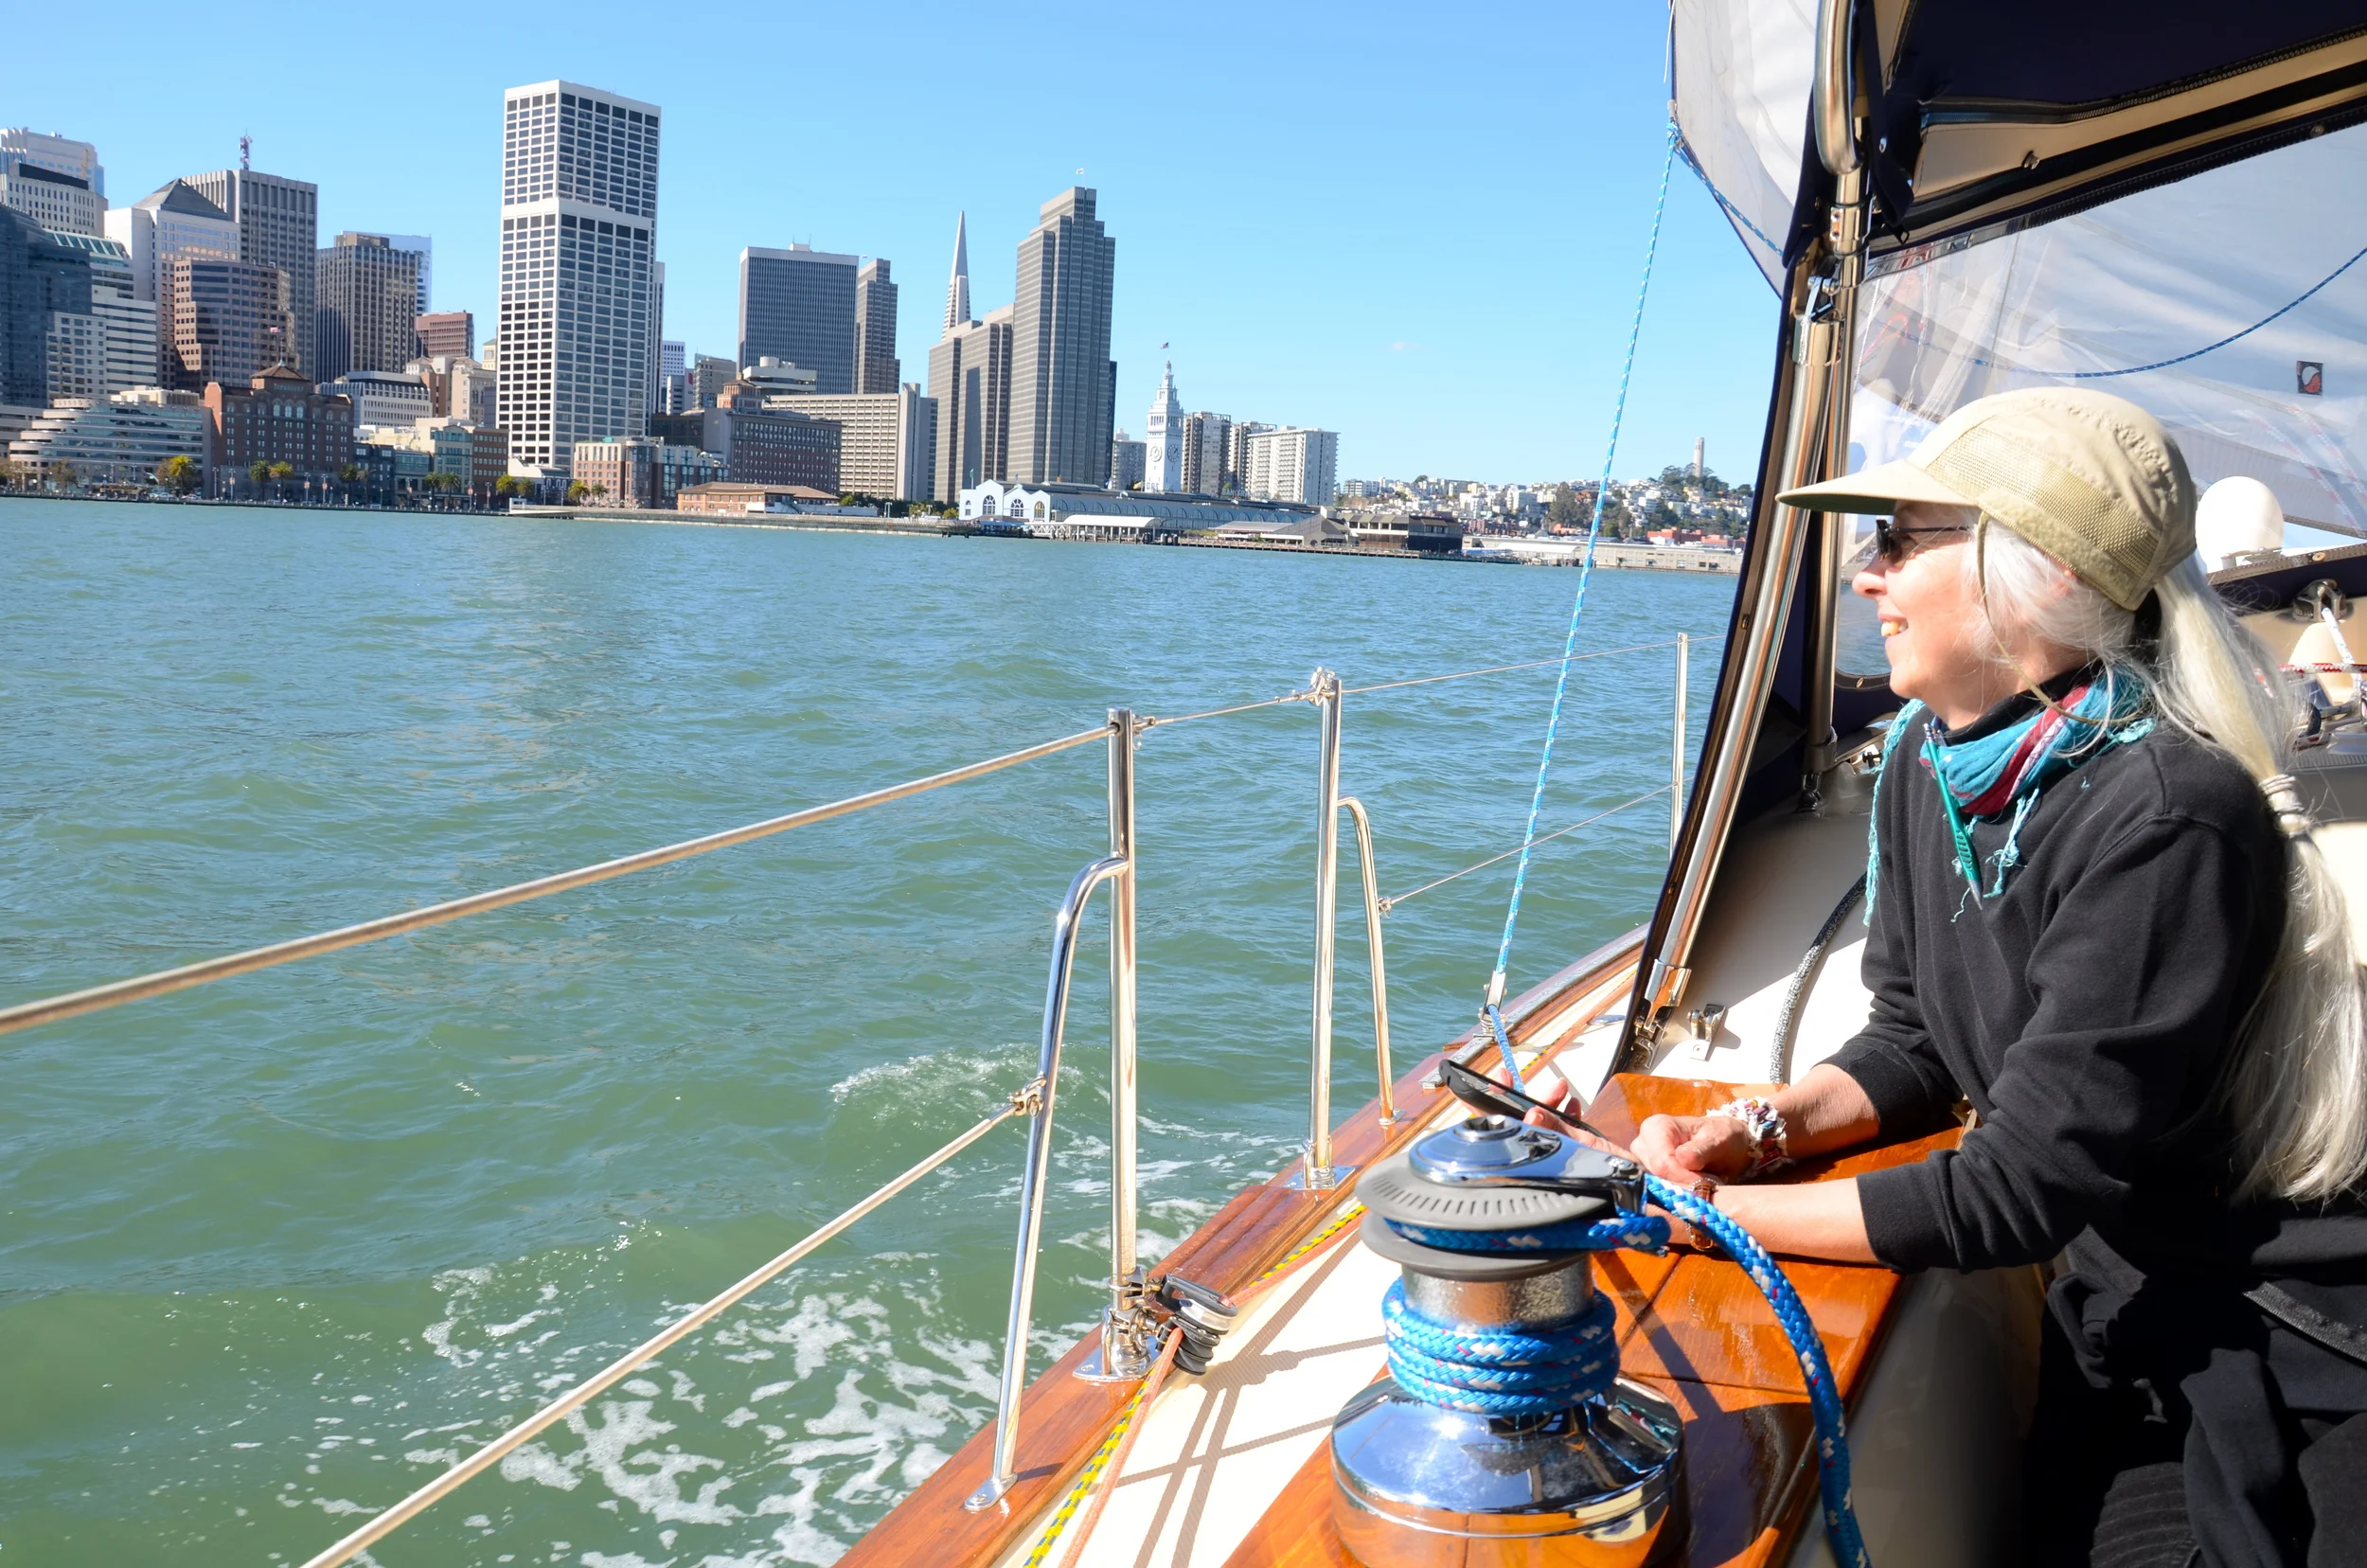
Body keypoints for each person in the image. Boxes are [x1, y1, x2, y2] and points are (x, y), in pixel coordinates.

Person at [1540, 389, 2367, 1566]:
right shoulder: (1927, 763)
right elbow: (1917, 1037)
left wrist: (1697, 1219)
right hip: (2126, 1307)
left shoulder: (2168, 815)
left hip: (2291, 1339)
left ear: (2027, 572)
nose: (1865, 576)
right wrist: (1760, 1128)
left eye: (1895, 540)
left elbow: (2016, 1189)